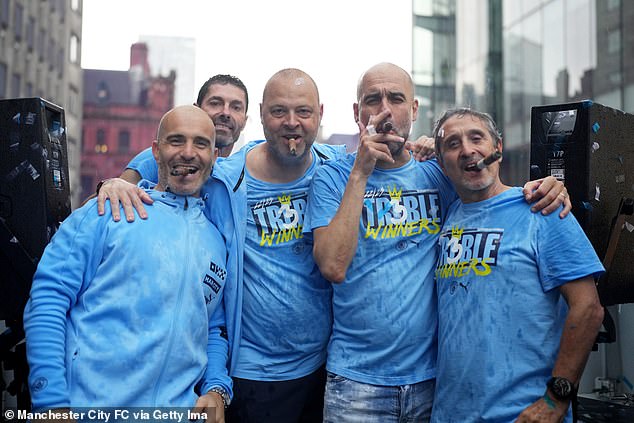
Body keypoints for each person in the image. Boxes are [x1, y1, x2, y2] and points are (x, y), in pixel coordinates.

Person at [303, 62, 571, 422]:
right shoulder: (332, 177)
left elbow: (487, 186)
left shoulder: (438, 173)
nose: (384, 111)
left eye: (396, 99)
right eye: (372, 100)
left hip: (433, 379)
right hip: (357, 381)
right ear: (357, 112)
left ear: (413, 110)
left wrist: (545, 187)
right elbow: (333, 266)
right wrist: (361, 172)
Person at [96, 69, 347, 423]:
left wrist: (425, 146)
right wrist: (120, 181)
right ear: (261, 115)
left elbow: (390, 159)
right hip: (250, 372)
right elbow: (176, 157)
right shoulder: (226, 177)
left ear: (320, 114)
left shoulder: (336, 168)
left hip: (319, 367)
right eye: (279, 111)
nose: (292, 122)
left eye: (303, 112)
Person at [23, 105, 232, 422]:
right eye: (176, 141)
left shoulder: (217, 241)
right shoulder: (106, 212)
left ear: (214, 156)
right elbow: (48, 299)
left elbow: (213, 327)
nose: (188, 153)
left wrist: (217, 387)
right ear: (155, 151)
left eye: (200, 143)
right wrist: (51, 402)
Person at [430, 107, 604, 423]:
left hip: (524, 415)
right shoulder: (444, 218)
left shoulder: (542, 209)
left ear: (497, 148)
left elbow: (588, 309)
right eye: (453, 144)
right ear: (441, 163)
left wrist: (555, 401)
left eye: (476, 137)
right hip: (449, 413)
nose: (467, 149)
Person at [116, 74, 248, 194]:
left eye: (236, 107)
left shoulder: (238, 173)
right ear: (196, 109)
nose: (226, 113)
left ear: (245, 121)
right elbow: (108, 201)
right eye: (215, 103)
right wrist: (109, 186)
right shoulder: (158, 158)